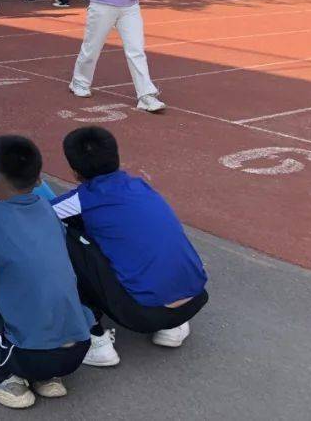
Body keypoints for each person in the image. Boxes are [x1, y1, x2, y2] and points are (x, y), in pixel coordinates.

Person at [0, 136, 92, 409]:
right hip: (78, 348)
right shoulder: (47, 210)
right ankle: (48, 379)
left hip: (32, 354)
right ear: (37, 180)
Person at [52, 127, 209, 366]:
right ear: (116, 158)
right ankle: (174, 326)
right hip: (195, 298)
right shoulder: (141, 186)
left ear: (74, 171)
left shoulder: (83, 199)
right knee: (139, 234)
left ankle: (95, 339)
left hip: (142, 314)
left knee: (69, 239)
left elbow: (33, 216)